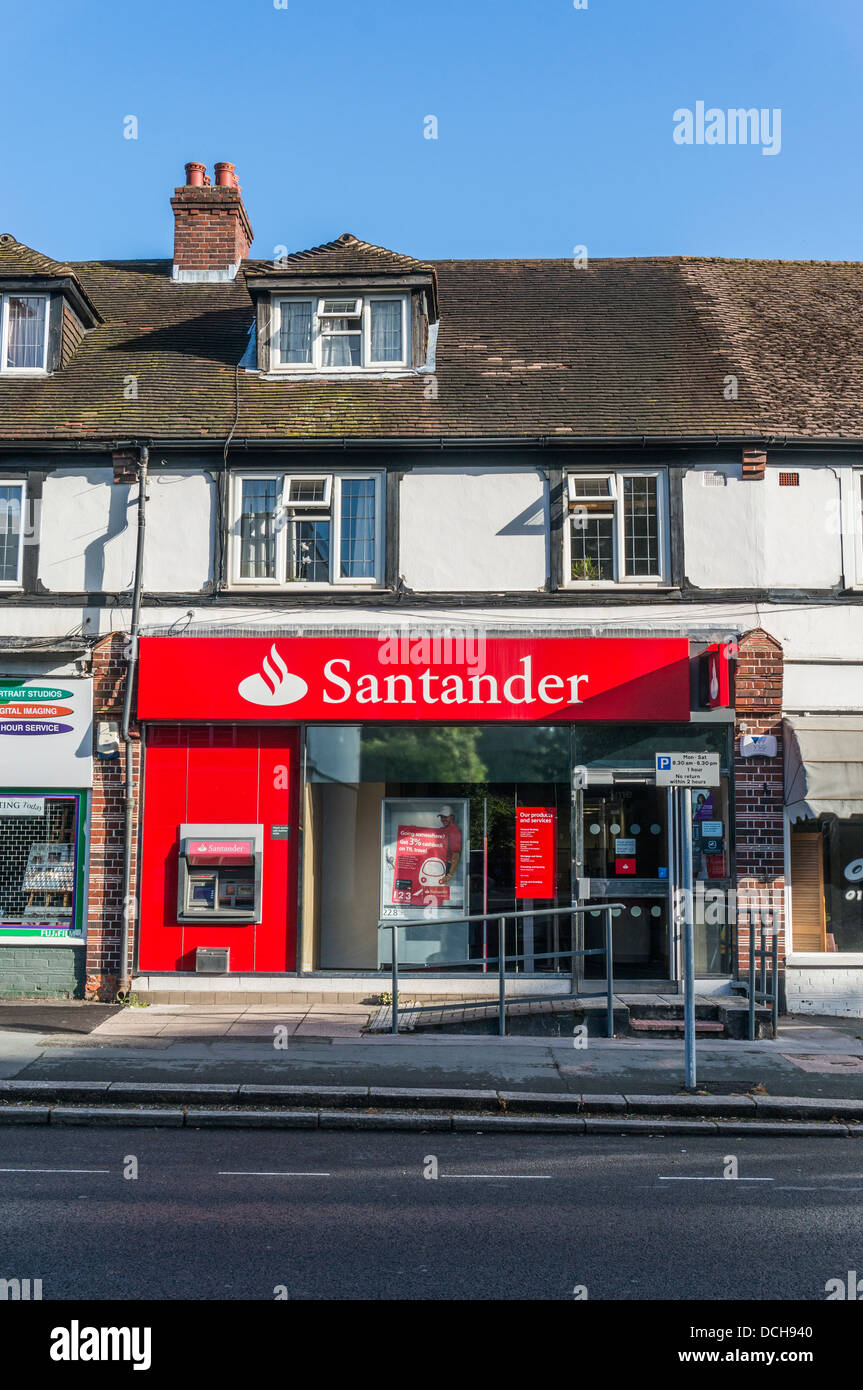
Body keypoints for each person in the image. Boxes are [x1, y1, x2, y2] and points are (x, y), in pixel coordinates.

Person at [437, 805, 462, 887]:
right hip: (439, 864)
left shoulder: (454, 831)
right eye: (441, 817)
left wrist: (449, 875)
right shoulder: (442, 830)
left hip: (446, 866)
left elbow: (455, 855)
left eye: (445, 817)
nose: (443, 819)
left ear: (452, 817)